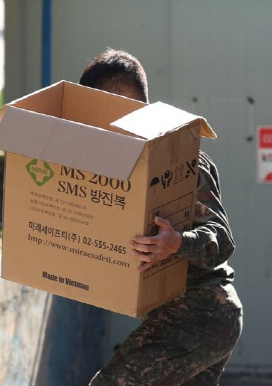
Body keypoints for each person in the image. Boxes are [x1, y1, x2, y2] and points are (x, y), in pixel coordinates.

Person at [79, 49, 243, 386]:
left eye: (97, 109)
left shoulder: (181, 159)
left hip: (201, 314)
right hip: (183, 316)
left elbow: (222, 239)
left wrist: (177, 243)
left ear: (130, 105)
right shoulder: (111, 164)